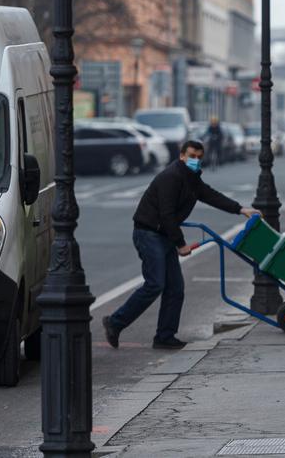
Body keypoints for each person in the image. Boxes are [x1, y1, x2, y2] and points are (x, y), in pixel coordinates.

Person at [102, 140, 258, 350]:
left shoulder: (192, 179)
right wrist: (181, 244)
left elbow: (211, 196)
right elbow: (166, 214)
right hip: (148, 233)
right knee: (155, 283)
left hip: (164, 235)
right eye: (192, 156)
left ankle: (164, 336)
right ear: (182, 155)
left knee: (175, 288)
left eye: (199, 157)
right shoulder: (171, 177)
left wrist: (240, 209)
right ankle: (115, 322)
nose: (195, 160)